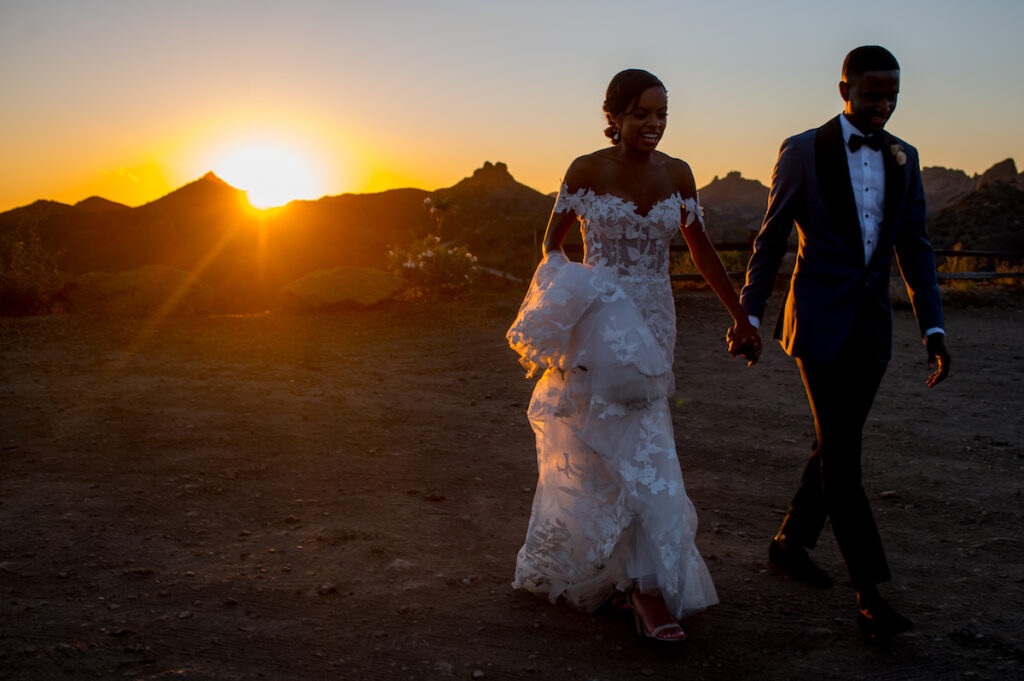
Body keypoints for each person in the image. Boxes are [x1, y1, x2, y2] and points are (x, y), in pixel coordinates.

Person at [506, 68, 760, 642]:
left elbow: (699, 250)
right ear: (615, 115)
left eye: (662, 115)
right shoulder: (586, 169)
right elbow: (553, 244)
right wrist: (572, 301)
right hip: (600, 321)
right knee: (605, 441)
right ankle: (639, 586)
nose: (653, 125)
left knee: (644, 437)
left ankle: (634, 578)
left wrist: (740, 314)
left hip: (654, 318)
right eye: (642, 114)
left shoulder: (679, 174)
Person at [738, 46, 951, 638]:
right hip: (818, 325)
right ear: (844, 91)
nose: (882, 107)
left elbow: (916, 249)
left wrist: (932, 327)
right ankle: (870, 592)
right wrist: (749, 316)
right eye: (871, 95)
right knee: (845, 459)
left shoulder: (905, 159)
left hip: (872, 330)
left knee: (836, 441)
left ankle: (789, 543)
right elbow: (772, 236)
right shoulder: (803, 149)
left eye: (892, 97)